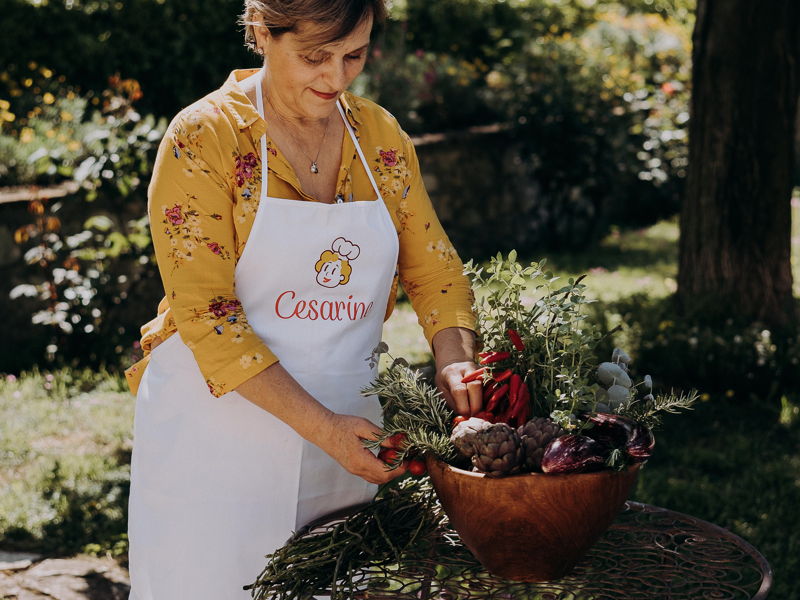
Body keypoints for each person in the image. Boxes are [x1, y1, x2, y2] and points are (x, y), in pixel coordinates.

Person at [124, 0, 483, 597]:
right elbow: (209, 317)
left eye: (355, 56)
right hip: (216, 440)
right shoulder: (206, 137)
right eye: (315, 56)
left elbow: (435, 270)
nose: (336, 78)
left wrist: (456, 357)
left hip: (350, 440)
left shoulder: (379, 136)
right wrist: (324, 429)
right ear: (263, 32)